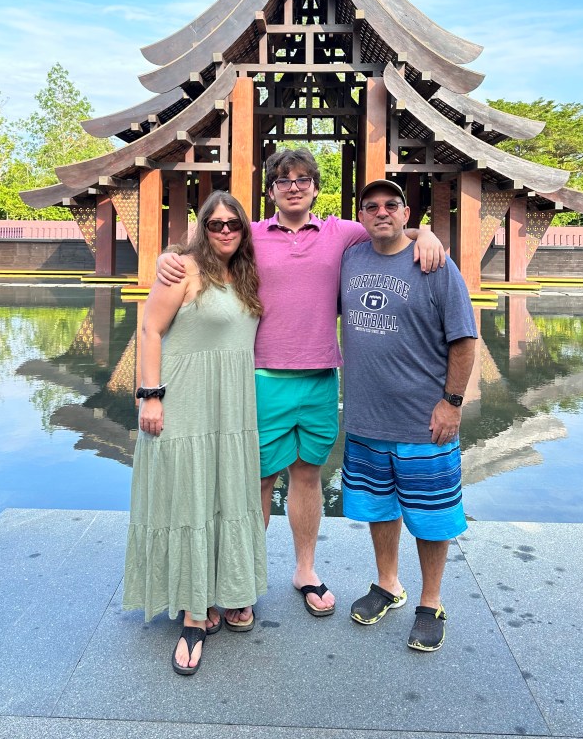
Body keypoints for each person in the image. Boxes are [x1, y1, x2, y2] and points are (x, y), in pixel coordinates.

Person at [158, 149, 445, 620]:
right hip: (262, 375)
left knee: (308, 475)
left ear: (315, 188)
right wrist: (165, 259)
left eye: (303, 179)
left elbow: (389, 227)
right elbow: (198, 248)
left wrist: (426, 232)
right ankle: (242, 580)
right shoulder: (250, 233)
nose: (294, 187)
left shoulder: (341, 233)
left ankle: (305, 570)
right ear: (271, 191)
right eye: (284, 180)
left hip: (320, 376)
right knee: (256, 481)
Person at [123, 191, 267, 676]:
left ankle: (230, 589)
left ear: (244, 230)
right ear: (202, 228)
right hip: (185, 401)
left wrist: (421, 233)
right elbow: (150, 330)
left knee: (226, 494)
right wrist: (151, 394)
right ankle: (192, 612)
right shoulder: (182, 269)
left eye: (233, 224)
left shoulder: (244, 274)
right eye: (215, 224)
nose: (225, 230)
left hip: (232, 407)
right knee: (189, 496)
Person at [340, 178, 477, 652]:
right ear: (361, 216)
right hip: (366, 418)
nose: (381, 212)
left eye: (391, 205)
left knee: (432, 515)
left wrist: (452, 403)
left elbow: (464, 340)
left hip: (424, 419)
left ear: (405, 213)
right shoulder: (350, 258)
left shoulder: (435, 265)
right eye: (371, 206)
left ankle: (431, 601)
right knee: (379, 507)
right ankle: (388, 584)